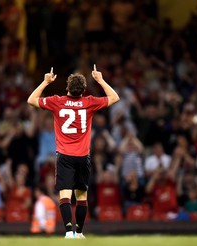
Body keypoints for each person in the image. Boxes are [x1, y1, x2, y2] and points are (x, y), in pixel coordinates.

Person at [27, 65, 119, 238]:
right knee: (82, 197)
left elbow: (32, 99)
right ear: (84, 90)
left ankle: (69, 232)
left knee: (65, 196)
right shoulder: (89, 102)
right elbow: (114, 97)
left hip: (64, 156)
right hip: (83, 156)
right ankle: (81, 232)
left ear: (67, 88)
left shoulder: (57, 101)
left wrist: (45, 82)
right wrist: (100, 80)